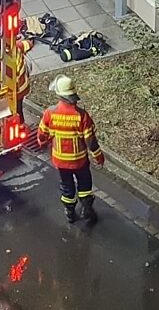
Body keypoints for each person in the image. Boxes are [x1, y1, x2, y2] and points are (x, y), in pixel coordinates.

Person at [37, 75, 105, 223]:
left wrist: (43, 143)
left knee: (67, 187)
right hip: (80, 160)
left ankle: (70, 212)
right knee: (85, 185)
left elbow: (42, 135)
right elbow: (91, 141)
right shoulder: (82, 116)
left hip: (61, 162)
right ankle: (87, 208)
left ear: (59, 95)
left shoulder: (50, 113)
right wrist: (98, 156)